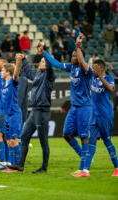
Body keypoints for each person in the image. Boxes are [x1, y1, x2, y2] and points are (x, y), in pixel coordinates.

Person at [43, 34, 93, 176]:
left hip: (85, 107)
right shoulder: (71, 68)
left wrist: (78, 48)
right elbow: (57, 64)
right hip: (74, 108)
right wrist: (45, 52)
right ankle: (84, 156)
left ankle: (84, 169)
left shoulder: (86, 70)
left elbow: (83, 62)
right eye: (72, 55)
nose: (73, 57)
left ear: (80, 56)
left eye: (75, 56)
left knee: (84, 137)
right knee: (66, 134)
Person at [72, 39, 118, 177]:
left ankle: (117, 167)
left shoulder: (109, 78)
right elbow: (83, 63)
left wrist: (101, 78)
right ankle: (85, 170)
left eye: (95, 67)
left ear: (102, 68)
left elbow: (110, 89)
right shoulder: (92, 75)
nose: (93, 68)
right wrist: (78, 47)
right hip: (94, 115)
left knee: (106, 140)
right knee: (92, 141)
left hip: (105, 115)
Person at [9, 43, 55, 173]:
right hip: (34, 111)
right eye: (40, 61)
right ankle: (20, 165)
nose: (41, 63)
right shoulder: (38, 75)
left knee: (43, 141)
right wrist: (23, 59)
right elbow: (29, 72)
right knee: (24, 136)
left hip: (42, 112)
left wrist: (44, 53)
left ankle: (44, 168)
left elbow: (50, 66)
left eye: (43, 62)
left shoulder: (49, 76)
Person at [0, 54, 23, 173]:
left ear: (8, 72)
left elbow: (16, 73)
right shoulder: (2, 81)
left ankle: (17, 166)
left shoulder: (13, 82)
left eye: (2, 70)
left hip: (14, 114)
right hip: (7, 115)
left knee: (13, 140)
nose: (0, 71)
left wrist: (18, 61)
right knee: (8, 141)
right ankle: (11, 166)